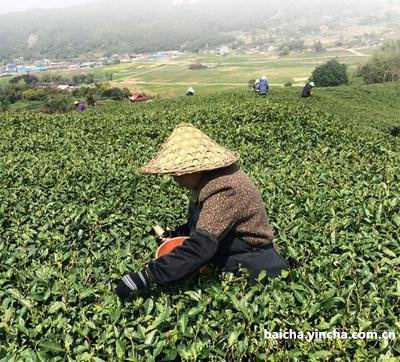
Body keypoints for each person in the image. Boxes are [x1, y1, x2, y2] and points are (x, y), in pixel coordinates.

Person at [115, 123, 289, 300]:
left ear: (198, 168)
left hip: (252, 267)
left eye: (180, 174)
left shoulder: (225, 188)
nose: (176, 181)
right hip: (228, 254)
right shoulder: (210, 180)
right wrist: (176, 234)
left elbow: (201, 246)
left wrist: (146, 277)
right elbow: (207, 223)